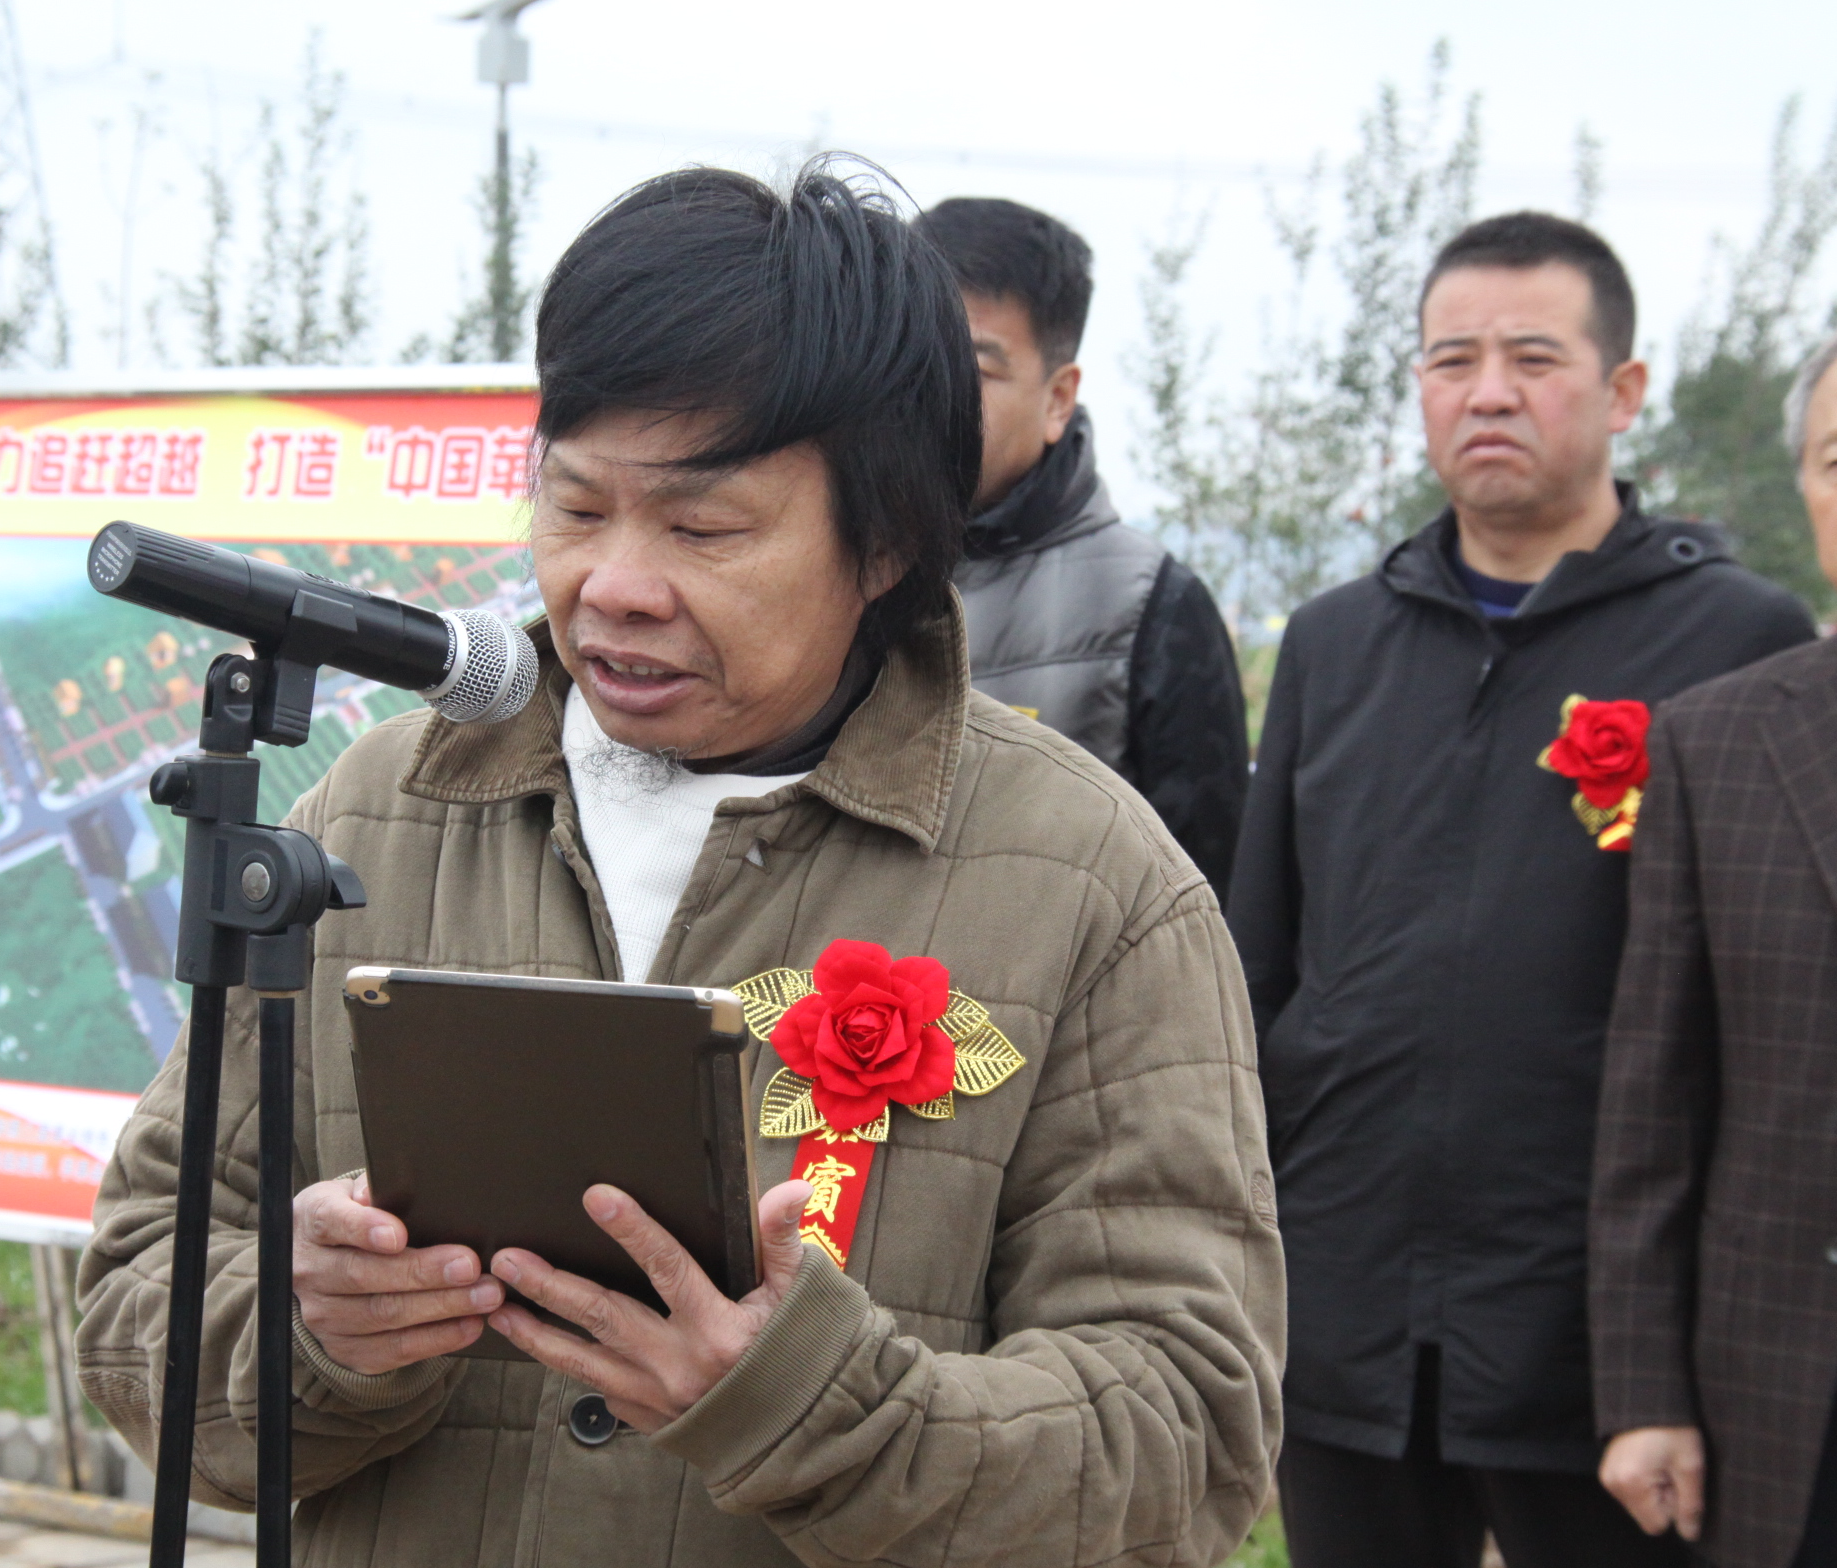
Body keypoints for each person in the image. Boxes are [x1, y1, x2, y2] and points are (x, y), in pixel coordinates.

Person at [77, 160, 1284, 1568]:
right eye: (578, 510)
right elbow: (131, 1310)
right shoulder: (378, 813)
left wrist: (807, 1405)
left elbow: (1188, 1443)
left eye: (705, 527)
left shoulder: (1090, 885)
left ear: (887, 541)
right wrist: (310, 1328)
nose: (617, 584)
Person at [1228, 211, 1816, 1568]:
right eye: (1452, 360)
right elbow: (1258, 968)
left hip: (1600, 1326)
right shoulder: (1335, 643)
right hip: (1350, 1298)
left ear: (1623, 392)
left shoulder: (1735, 643)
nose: (1487, 391)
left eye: (1533, 356)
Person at [1592, 312, 1837, 1568]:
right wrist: (1645, 1388)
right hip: (1799, 1372)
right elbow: (1656, 1091)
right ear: (1806, 489)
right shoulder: (1722, 741)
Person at [914, 198, 1250, 898]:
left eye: (975, 367)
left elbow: (1203, 904)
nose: (935, 394)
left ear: (1058, 398)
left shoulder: (1151, 608)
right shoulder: (829, 575)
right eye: (915, 357)